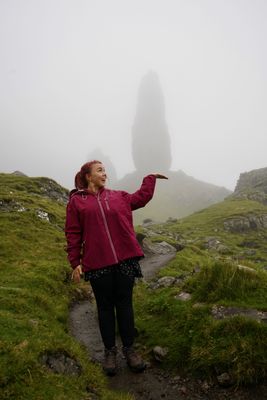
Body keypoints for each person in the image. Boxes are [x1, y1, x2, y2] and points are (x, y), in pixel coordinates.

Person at [65, 160, 168, 376]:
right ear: (87, 176)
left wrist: (149, 179)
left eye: (105, 170)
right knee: (104, 307)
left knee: (124, 304)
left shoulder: (118, 196)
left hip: (125, 260)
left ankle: (130, 350)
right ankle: (110, 352)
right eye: (100, 170)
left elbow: (141, 198)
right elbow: (73, 233)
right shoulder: (76, 202)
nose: (105, 174)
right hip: (97, 262)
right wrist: (75, 262)